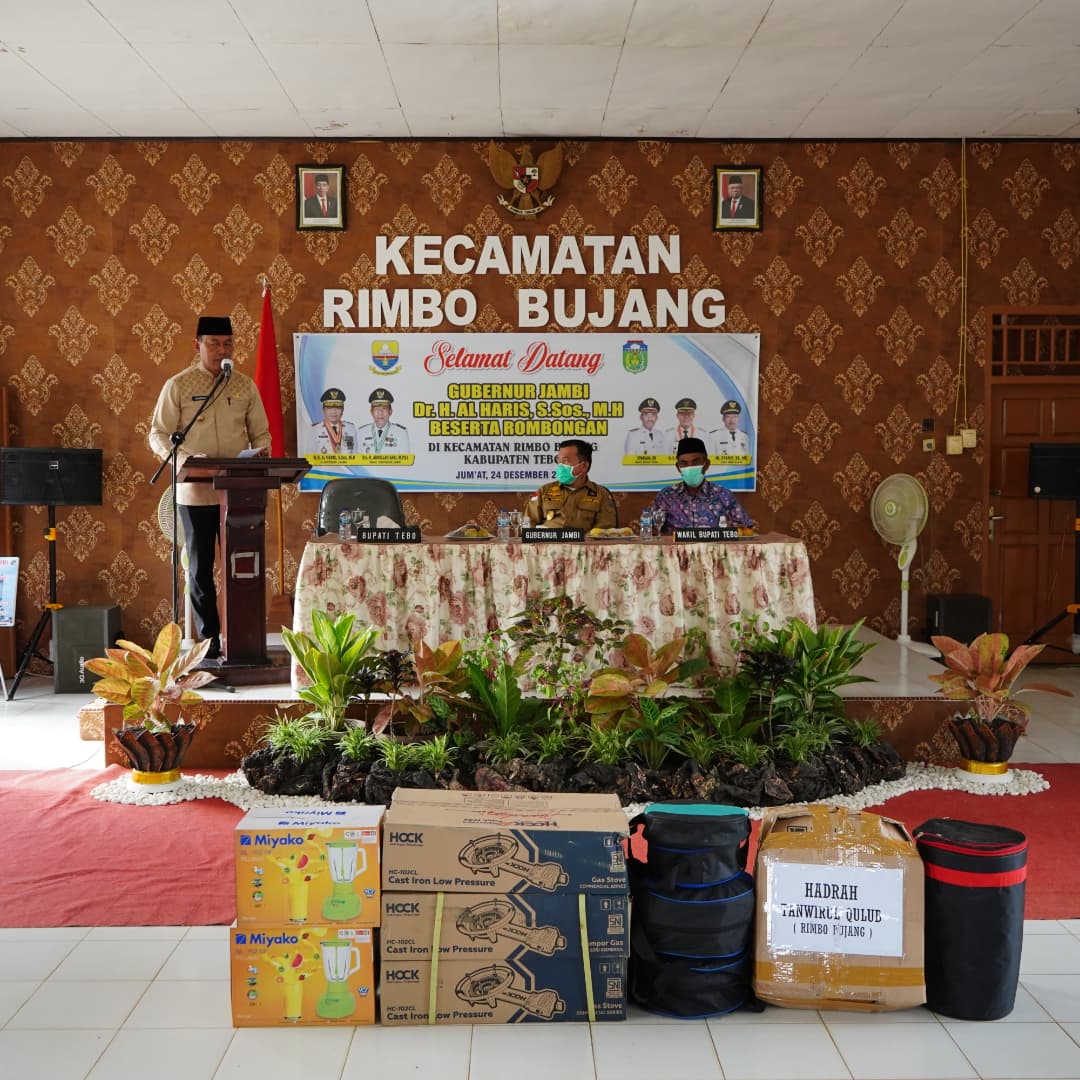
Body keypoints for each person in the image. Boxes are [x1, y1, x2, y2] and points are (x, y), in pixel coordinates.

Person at [149, 315, 271, 659]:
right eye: (214, 343)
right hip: (196, 492)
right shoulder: (179, 385)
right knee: (200, 568)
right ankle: (209, 640)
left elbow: (261, 433)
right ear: (197, 345)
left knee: (241, 566)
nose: (222, 350)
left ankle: (243, 638)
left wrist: (262, 450)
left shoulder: (245, 386)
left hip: (239, 493)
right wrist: (184, 459)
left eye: (228, 344)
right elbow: (158, 434)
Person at [647, 438, 753, 532]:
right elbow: (648, 528)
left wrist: (730, 529)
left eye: (695, 462)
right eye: (684, 463)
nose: (690, 467)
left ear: (706, 464)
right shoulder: (666, 496)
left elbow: (745, 528)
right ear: (678, 467)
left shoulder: (723, 495)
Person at [526, 439, 618, 531]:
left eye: (565, 461)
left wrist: (578, 538)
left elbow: (604, 531)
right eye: (559, 461)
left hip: (583, 540)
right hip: (547, 539)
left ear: (584, 466)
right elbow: (527, 524)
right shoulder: (544, 491)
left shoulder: (601, 494)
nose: (560, 466)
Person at [356, 387, 410, 453]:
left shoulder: (400, 433)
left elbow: (405, 458)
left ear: (390, 411)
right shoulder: (362, 432)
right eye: (377, 409)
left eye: (384, 408)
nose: (380, 413)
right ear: (371, 411)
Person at [307, 387, 357, 455]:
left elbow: (355, 455)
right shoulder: (315, 430)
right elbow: (309, 456)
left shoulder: (350, 428)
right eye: (329, 408)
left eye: (337, 408)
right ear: (323, 410)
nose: (333, 412)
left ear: (342, 411)